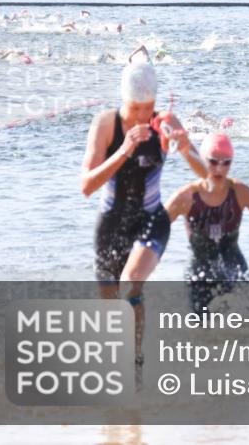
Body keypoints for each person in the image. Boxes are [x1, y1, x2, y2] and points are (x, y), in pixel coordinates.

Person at [80, 62, 208, 360]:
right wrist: (124, 150)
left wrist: (187, 147)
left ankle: (137, 365)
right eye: (135, 108)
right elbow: (86, 186)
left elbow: (206, 175)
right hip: (111, 224)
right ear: (123, 100)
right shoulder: (105, 125)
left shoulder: (164, 122)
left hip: (151, 220)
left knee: (131, 284)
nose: (141, 116)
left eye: (147, 107)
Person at [165, 133, 249, 313]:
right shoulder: (186, 197)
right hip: (199, 271)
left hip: (234, 266)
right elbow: (154, 232)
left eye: (226, 162)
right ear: (201, 161)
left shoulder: (241, 193)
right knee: (199, 332)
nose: (219, 169)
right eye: (213, 162)